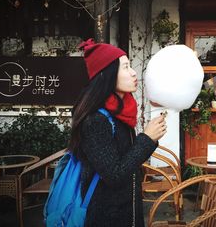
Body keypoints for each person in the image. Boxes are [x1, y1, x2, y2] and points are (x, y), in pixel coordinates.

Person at [69, 38, 167, 227]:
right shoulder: (95, 120)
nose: (133, 73)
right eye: (126, 67)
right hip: (106, 216)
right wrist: (147, 139)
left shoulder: (122, 113)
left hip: (128, 209)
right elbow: (113, 175)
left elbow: (128, 160)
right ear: (107, 74)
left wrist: (149, 138)